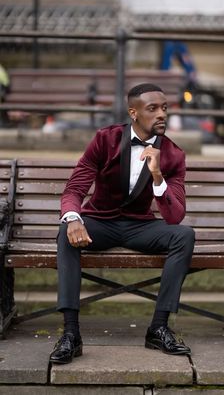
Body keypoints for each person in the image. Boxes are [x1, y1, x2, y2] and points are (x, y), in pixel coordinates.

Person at [49, 83, 195, 364]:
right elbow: (74, 190)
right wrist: (74, 218)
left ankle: (159, 327)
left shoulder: (174, 155)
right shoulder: (106, 139)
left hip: (140, 227)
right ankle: (70, 334)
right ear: (134, 112)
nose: (161, 114)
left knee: (184, 235)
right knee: (65, 232)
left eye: (164, 108)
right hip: (100, 223)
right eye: (152, 109)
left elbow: (174, 217)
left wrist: (157, 176)